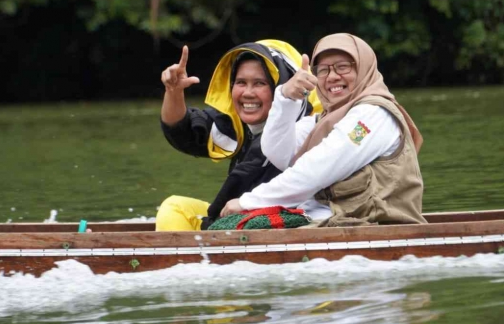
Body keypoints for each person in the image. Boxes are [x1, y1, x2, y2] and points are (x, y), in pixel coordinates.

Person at [221, 33, 426, 227]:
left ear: (364, 69)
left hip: (370, 226)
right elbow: (277, 152)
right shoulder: (324, 120)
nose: (332, 77)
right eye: (324, 70)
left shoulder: (373, 115)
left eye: (343, 67)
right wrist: (286, 97)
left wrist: (249, 202)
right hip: (328, 222)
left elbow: (317, 169)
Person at [156, 40, 321, 231]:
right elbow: (183, 132)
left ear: (283, 85)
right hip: (241, 216)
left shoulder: (312, 127)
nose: (248, 93)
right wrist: (173, 91)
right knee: (174, 207)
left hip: (289, 221)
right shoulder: (235, 125)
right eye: (241, 82)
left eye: (260, 83)